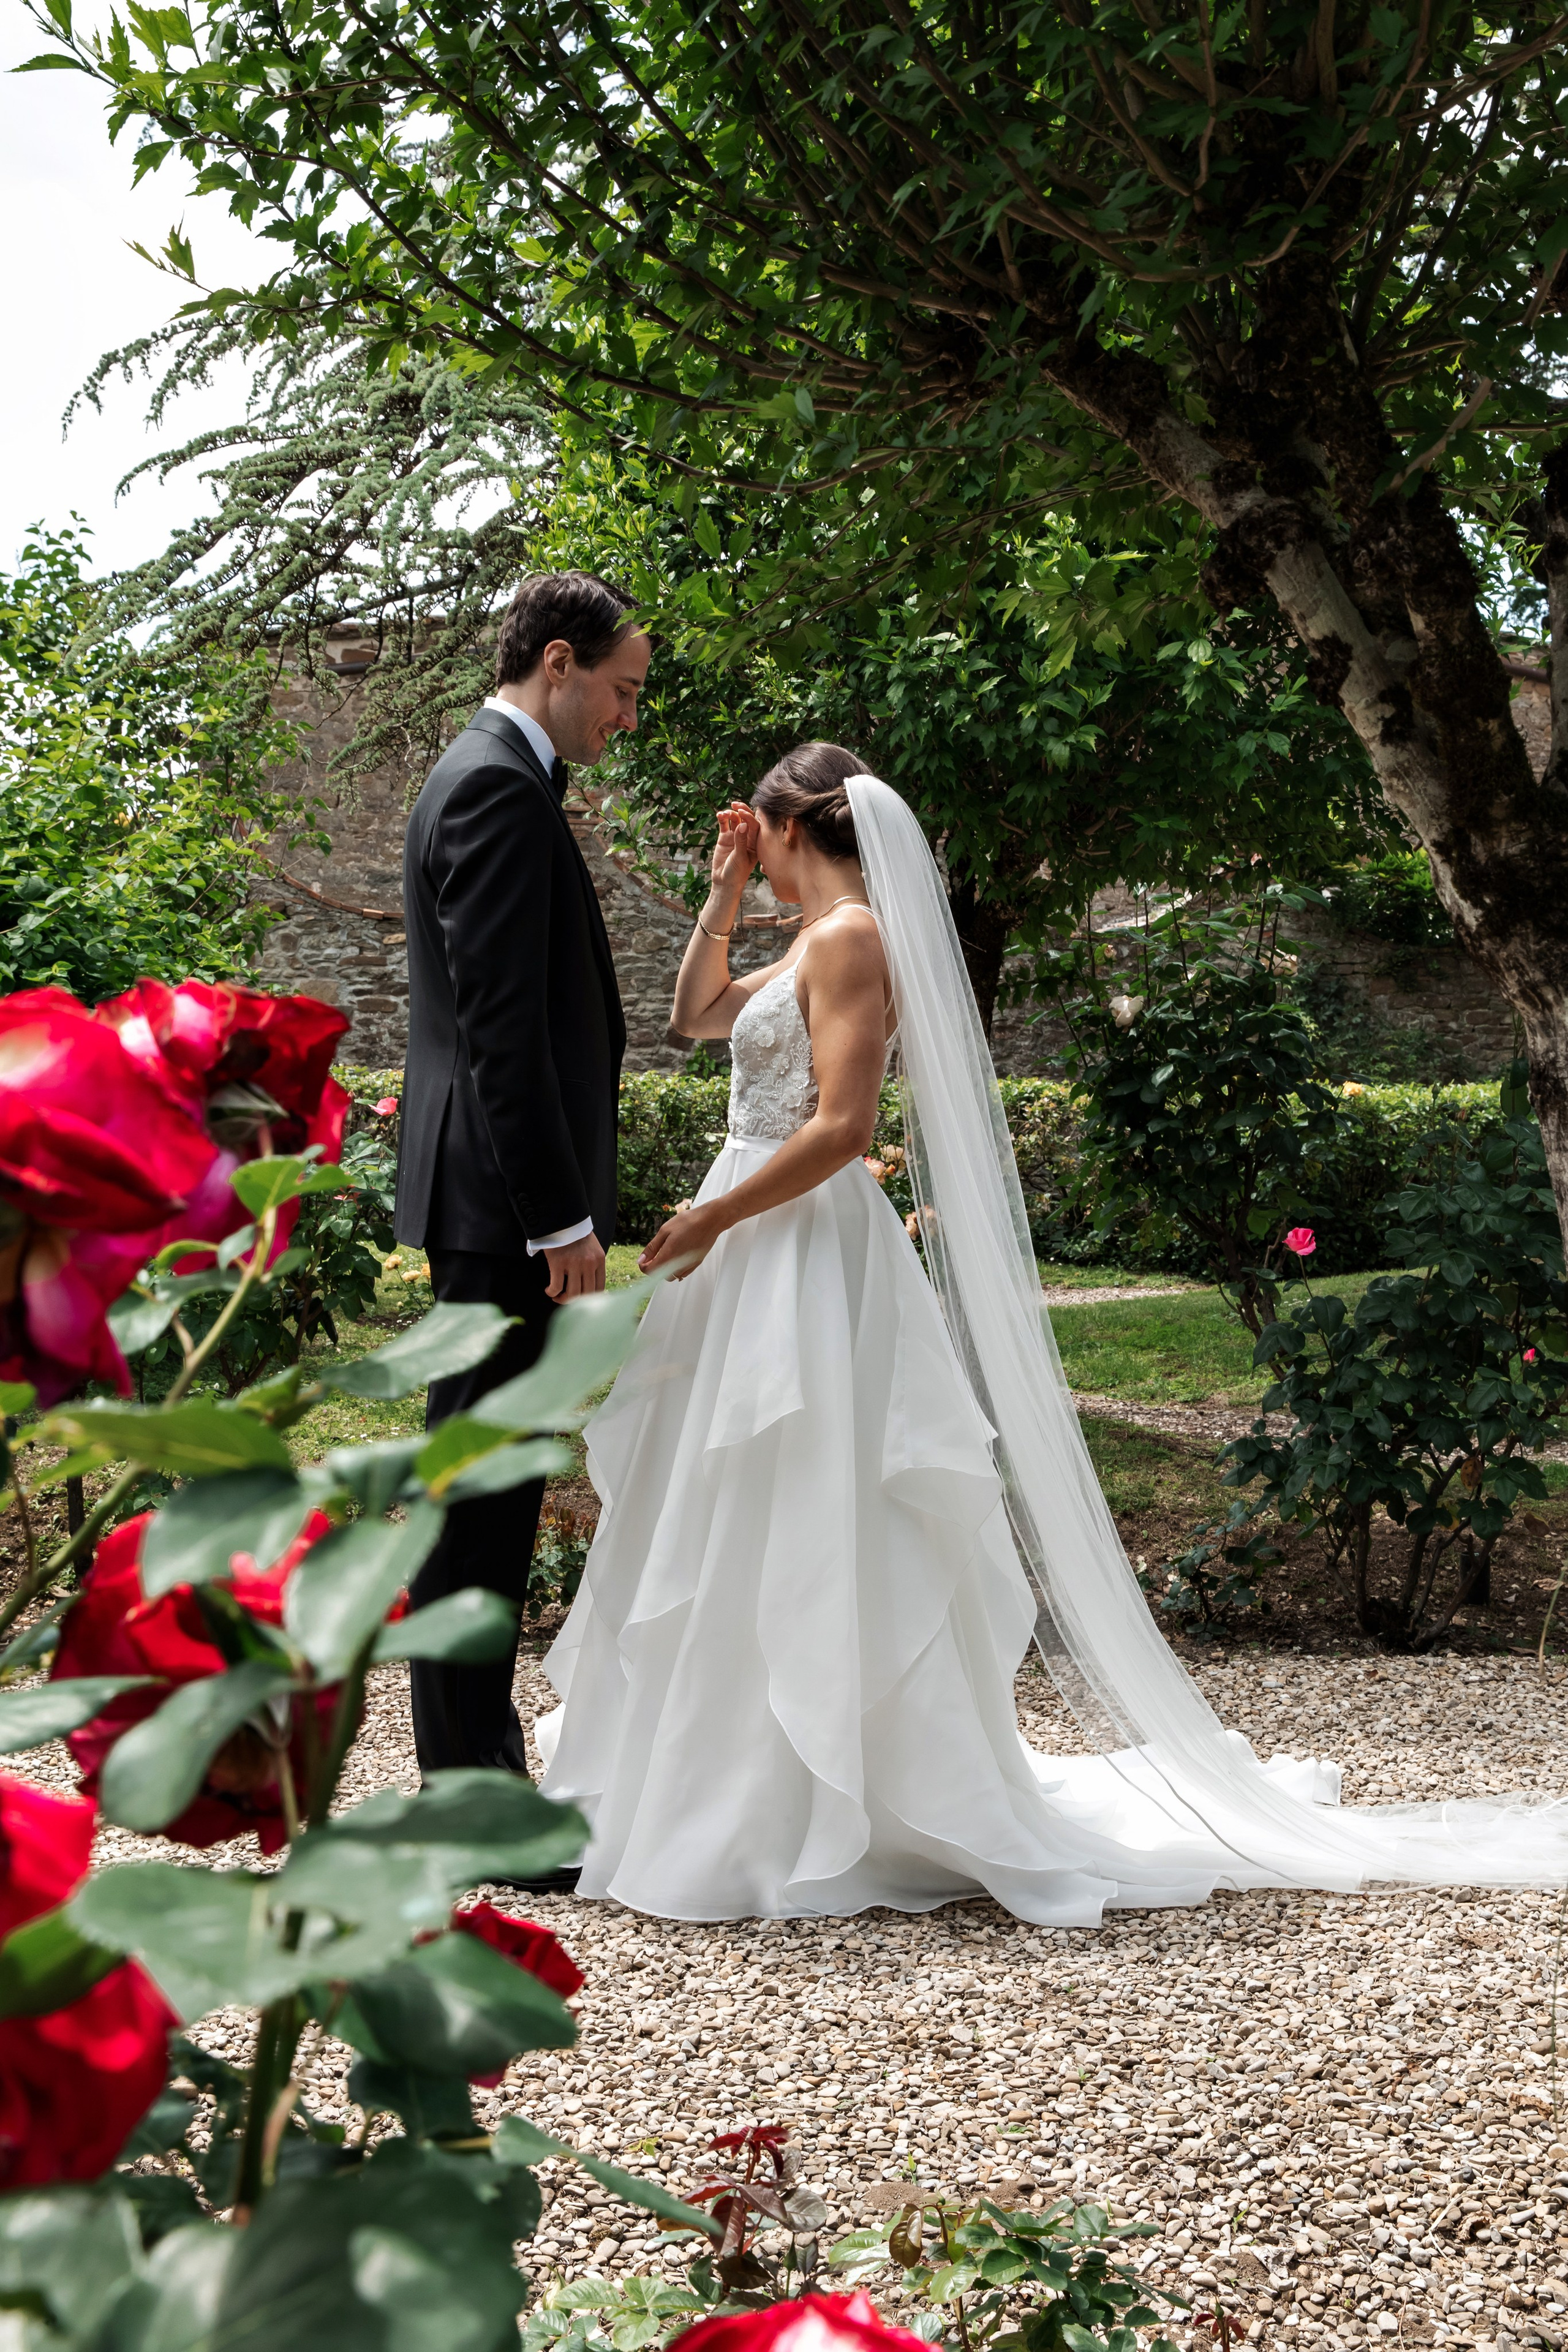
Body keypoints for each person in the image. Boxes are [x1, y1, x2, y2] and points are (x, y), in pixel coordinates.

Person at [537, 744, 1568, 1921]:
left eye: (753, 839)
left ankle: (800, 1792)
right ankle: (722, 1770)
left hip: (795, 1240)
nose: (748, 855)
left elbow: (841, 1125)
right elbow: (692, 1017)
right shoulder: (812, 939)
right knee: (730, 1494)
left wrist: (716, 1212)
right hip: (754, 1245)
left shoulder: (853, 938)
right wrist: (722, 889)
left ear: (791, 825)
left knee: (804, 1489)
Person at [394, 571, 650, 1782]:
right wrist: (559, 1215)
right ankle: (471, 1793)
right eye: (620, 688)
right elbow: (501, 1028)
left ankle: (472, 1775)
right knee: (478, 1503)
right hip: (505, 1211)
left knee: (485, 1495)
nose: (626, 715)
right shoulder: (496, 791)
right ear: (558, 661)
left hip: (492, 1205)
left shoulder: (491, 779)